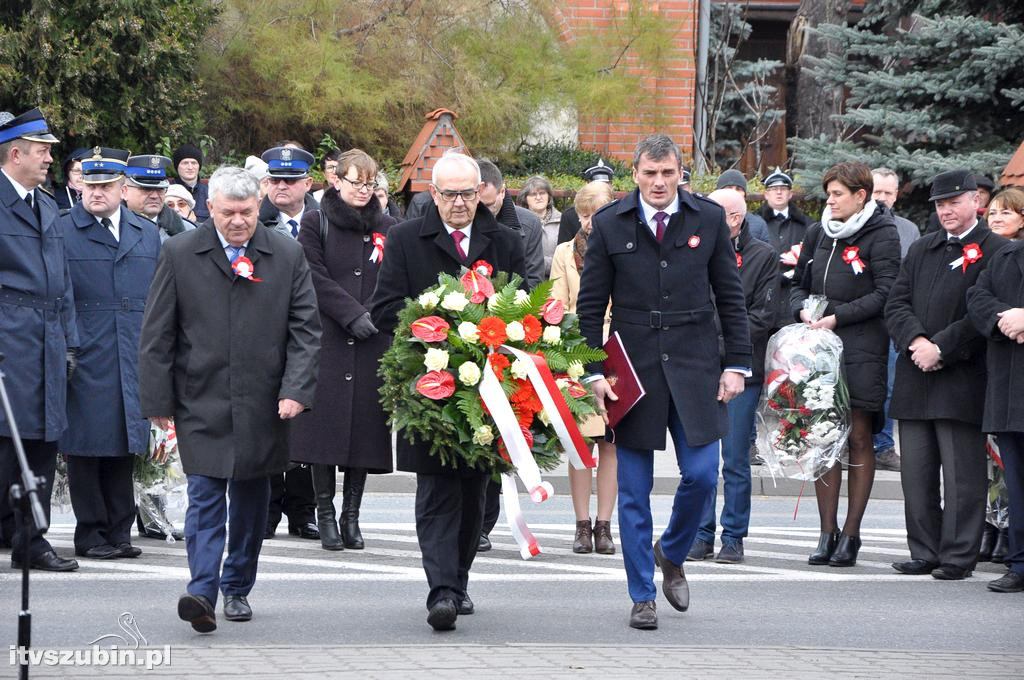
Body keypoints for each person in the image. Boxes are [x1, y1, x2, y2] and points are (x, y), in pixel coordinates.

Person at [577, 134, 752, 630]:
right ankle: (641, 595)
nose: (658, 182)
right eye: (650, 173)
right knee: (633, 489)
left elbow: (730, 296)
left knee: (703, 474)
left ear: (680, 174)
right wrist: (593, 371)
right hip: (632, 369)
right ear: (634, 174)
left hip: (696, 364)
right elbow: (590, 307)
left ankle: (671, 551)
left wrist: (737, 364)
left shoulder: (708, 218)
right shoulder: (610, 223)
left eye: (667, 173)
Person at [139, 166, 321, 632]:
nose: (238, 221)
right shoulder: (180, 252)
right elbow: (157, 332)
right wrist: (157, 400)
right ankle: (202, 590)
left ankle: (237, 587)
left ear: (258, 207)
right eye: (227, 213)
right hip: (200, 396)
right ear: (209, 208)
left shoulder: (286, 253)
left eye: (246, 212)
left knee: (249, 500)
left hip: (264, 400)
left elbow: (305, 329)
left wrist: (296, 390)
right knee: (204, 494)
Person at [370, 152, 526, 632]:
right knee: (437, 489)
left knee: (475, 492)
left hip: (488, 387)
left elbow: (524, 308)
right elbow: (384, 309)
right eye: (450, 194)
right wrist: (438, 320)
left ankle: (458, 581)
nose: (460, 203)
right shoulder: (404, 239)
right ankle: (440, 590)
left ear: (482, 192)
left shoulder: (506, 240)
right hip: (427, 383)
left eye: (468, 193)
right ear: (433, 194)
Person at [885, 169, 1010, 580]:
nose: (946, 211)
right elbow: (896, 303)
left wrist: (942, 348)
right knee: (916, 475)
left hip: (962, 377)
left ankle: (958, 556)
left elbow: (984, 313)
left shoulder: (996, 249)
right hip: (916, 374)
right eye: (940, 204)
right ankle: (924, 550)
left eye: (954, 202)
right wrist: (917, 341)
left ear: (976, 201)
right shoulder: (923, 247)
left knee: (962, 477)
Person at [791, 162, 901, 568]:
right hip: (820, 350)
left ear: (861, 195)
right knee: (824, 439)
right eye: (828, 194)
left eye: (838, 194)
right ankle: (827, 531)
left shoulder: (882, 232)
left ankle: (851, 534)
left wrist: (839, 317)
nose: (830, 201)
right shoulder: (818, 232)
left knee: (857, 437)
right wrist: (801, 310)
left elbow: (886, 292)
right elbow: (797, 283)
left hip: (862, 347)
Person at [59, 146, 161, 560]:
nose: (96, 192)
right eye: (90, 185)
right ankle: (91, 533)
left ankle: (120, 531)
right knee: (86, 445)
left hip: (133, 348)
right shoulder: (63, 229)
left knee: (124, 441)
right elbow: (59, 294)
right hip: (87, 348)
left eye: (105, 185)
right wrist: (68, 344)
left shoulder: (145, 231)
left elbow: (159, 296)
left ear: (123, 188)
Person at [291, 149, 396, 551]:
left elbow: (392, 276)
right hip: (328, 339)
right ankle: (325, 514)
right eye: (356, 183)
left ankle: (352, 515)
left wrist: (372, 313)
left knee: (363, 431)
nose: (363, 191)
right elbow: (311, 274)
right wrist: (351, 313)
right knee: (324, 432)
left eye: (370, 184)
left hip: (372, 338)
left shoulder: (387, 225)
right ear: (336, 180)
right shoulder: (315, 221)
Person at [0, 107, 79, 571]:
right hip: (9, 333)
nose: (50, 158)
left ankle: (31, 538)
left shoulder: (47, 205)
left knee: (44, 439)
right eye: (41, 151)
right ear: (15, 154)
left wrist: (70, 340)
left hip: (46, 336)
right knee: (5, 439)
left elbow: (62, 280)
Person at [690, 189, 779, 564]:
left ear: (735, 218)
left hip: (741, 368)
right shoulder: (696, 249)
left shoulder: (762, 256)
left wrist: (722, 346)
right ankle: (701, 533)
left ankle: (733, 536)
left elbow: (763, 316)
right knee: (702, 460)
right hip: (699, 365)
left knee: (736, 459)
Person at [549, 180, 617, 555]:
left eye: (598, 213)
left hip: (618, 351)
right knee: (580, 442)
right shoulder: (564, 252)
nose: (591, 222)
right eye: (585, 215)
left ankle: (604, 524)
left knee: (611, 442)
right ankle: (581, 524)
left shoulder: (625, 246)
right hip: (578, 350)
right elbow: (556, 305)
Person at [257, 145, 319, 540]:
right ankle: (267, 509)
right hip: (266, 333)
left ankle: (303, 510)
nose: (282, 186)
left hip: (310, 331)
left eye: (290, 180)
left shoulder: (323, 222)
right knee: (267, 425)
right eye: (275, 180)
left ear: (307, 183)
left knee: (306, 426)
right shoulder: (254, 221)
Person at [967, 238, 1024, 593]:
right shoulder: (1006, 255)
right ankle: (1020, 563)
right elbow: (977, 296)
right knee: (1016, 484)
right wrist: (1006, 318)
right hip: (1010, 390)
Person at [870, 167, 922, 472]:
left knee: (889, 385)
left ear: (896, 195)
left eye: (888, 193)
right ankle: (852, 444)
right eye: (877, 191)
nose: (882, 198)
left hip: (893, 321)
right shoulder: (850, 226)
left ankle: (884, 446)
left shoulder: (908, 230)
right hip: (859, 321)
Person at [476, 159, 545, 288]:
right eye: (477, 206)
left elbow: (534, 280)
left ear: (502, 192)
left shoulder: (529, 223)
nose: (482, 212)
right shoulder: (462, 221)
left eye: (489, 205)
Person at [122, 154, 194, 241]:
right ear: (124, 191)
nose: (155, 196)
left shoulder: (187, 231)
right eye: (146, 189)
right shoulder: (112, 228)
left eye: (160, 189)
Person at [558, 159, 614, 244]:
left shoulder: (619, 213)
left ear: (611, 185)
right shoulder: (570, 216)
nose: (601, 188)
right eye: (585, 216)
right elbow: (564, 248)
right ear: (587, 184)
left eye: (605, 184)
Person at [714, 168, 773, 245]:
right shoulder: (709, 219)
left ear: (745, 195)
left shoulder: (758, 224)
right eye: (729, 188)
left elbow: (765, 251)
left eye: (738, 189)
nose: (734, 192)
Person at [518, 175, 561, 277]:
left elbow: (567, 259)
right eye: (533, 194)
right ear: (525, 199)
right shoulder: (519, 223)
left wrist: (539, 263)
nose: (538, 197)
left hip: (557, 279)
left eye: (542, 193)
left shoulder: (562, 221)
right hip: (529, 279)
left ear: (548, 196)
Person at [172, 143, 209, 222]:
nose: (190, 167)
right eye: (185, 163)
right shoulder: (167, 191)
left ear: (199, 166)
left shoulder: (209, 193)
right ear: (177, 166)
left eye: (194, 163)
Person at [53, 147, 88, 212]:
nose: (82, 176)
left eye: (87, 171)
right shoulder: (55, 198)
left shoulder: (100, 196)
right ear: (67, 173)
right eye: (77, 171)